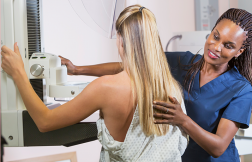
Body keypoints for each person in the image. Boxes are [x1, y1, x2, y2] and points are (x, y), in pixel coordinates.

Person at [59, 8, 252, 161]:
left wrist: (182, 120)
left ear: (239, 52)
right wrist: (77, 69)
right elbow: (130, 66)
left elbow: (218, 147)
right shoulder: (183, 61)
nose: (216, 47)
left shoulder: (241, 89)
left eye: (228, 45)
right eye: (216, 36)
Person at [1, 5, 188, 162]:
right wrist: (77, 69)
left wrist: (19, 74)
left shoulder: (105, 88)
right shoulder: (171, 89)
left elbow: (45, 122)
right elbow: (126, 69)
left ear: (121, 40)